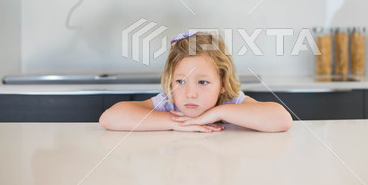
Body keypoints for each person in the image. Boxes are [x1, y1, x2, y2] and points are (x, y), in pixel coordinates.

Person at [99, 31, 293, 133]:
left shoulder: (230, 102)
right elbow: (110, 118)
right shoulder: (170, 104)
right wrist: (175, 123)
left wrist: (219, 112)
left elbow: (282, 119)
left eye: (203, 82)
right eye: (181, 81)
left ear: (223, 83)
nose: (190, 93)